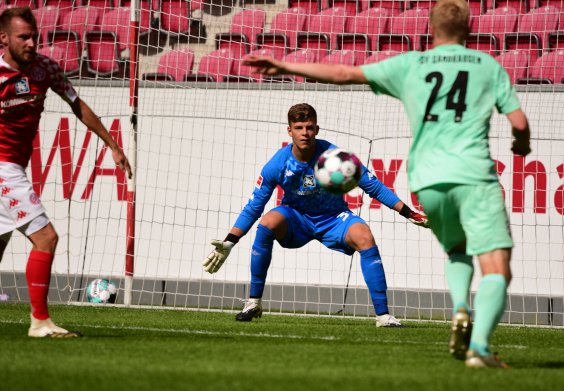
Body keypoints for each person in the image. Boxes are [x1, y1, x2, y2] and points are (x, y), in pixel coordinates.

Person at [243, 0, 531, 368]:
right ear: (470, 30)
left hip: (427, 176)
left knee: (455, 248)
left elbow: (344, 74)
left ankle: (430, 309)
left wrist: (285, 65)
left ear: (430, 29)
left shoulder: (411, 64)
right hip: (473, 173)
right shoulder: (488, 66)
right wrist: (521, 144)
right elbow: (519, 123)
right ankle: (478, 343)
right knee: (495, 264)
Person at [203, 103, 429, 327]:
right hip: (296, 219)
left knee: (365, 236)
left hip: (334, 218)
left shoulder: (334, 156)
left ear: (317, 129)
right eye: (299, 127)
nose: (305, 133)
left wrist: (408, 212)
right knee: (268, 222)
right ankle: (253, 302)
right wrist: (230, 240)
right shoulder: (277, 164)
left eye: (309, 127)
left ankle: (384, 317)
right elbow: (254, 206)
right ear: (289, 130)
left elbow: (374, 186)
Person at [0, 7, 132, 337]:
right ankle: (40, 322)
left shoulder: (45, 69)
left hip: (11, 169)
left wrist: (112, 144)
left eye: (35, 36)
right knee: (46, 238)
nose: (32, 43)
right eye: (24, 37)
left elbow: (76, 103)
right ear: (4, 38)